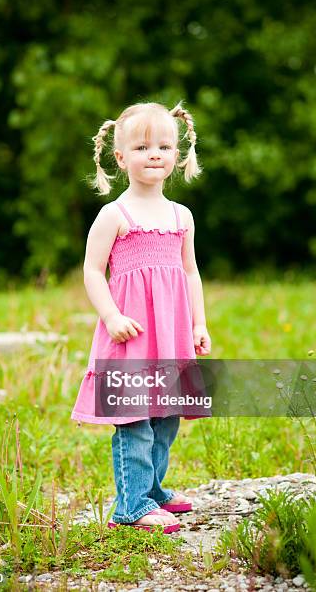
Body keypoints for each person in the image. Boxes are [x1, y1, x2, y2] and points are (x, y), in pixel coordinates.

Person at [71, 100, 211, 533]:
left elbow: (190, 271)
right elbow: (92, 270)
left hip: (170, 336)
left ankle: (152, 490)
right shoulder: (116, 214)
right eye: (142, 147)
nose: (154, 154)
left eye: (164, 146)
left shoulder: (180, 215)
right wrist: (111, 316)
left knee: (166, 418)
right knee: (136, 423)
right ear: (120, 158)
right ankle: (130, 506)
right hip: (132, 335)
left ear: (177, 153)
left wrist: (198, 323)